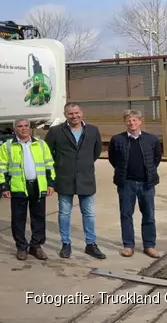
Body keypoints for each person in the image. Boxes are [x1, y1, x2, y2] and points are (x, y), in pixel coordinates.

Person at [45, 102, 106, 259]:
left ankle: (91, 244)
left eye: (77, 113)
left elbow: (96, 151)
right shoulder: (55, 131)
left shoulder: (92, 130)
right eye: (70, 113)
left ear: (82, 113)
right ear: (65, 115)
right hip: (64, 179)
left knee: (89, 213)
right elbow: (47, 154)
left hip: (86, 179)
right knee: (64, 213)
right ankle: (66, 244)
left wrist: (83, 164)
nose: (74, 116)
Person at [0, 118, 56, 261]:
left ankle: (36, 246)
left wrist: (51, 183)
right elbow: (2, 167)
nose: (23, 128)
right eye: (20, 126)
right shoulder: (7, 146)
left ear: (29, 128)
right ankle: (21, 247)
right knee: (18, 219)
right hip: (18, 187)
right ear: (14, 129)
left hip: (38, 185)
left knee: (39, 218)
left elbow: (49, 164)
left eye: (26, 126)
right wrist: (4, 186)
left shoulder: (41, 144)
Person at [108, 109, 163, 259]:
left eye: (134, 120)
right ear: (125, 122)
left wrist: (149, 172)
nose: (132, 123)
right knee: (126, 215)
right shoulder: (117, 139)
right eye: (128, 120)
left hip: (146, 184)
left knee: (149, 215)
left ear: (140, 121)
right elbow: (113, 158)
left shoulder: (151, 139)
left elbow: (157, 158)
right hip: (126, 184)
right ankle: (128, 246)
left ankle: (149, 245)